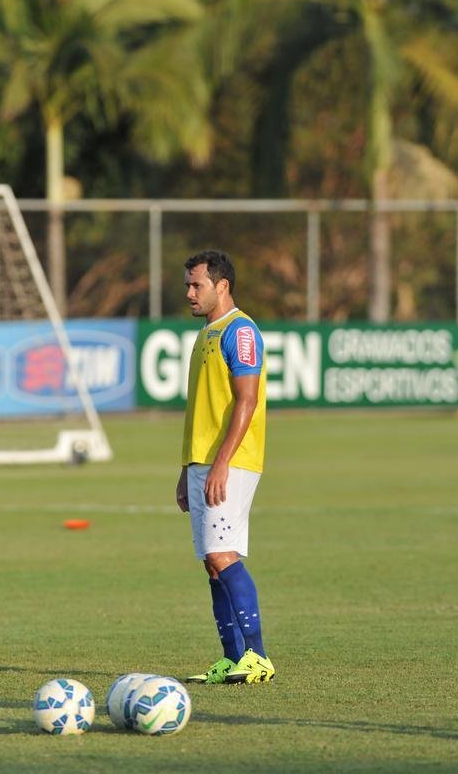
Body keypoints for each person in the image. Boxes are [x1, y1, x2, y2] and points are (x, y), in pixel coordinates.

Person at [176, 250, 274, 685]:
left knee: (221, 554)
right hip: (204, 462)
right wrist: (187, 468)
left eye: (197, 284)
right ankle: (232, 658)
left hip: (230, 463)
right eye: (188, 285)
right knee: (211, 564)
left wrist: (220, 464)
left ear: (223, 286)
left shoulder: (241, 331)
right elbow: (202, 410)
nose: (190, 293)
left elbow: (246, 402)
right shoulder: (205, 334)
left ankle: (258, 656)